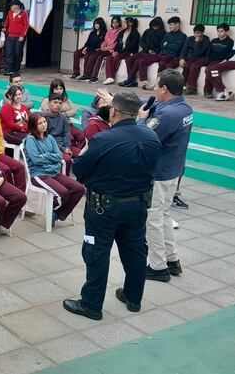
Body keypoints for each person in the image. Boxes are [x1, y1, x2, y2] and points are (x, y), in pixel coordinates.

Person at [64, 92, 161, 321]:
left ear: (113, 111)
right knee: (135, 251)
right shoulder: (151, 137)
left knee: (97, 253)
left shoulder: (103, 139)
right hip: (137, 205)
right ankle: (133, 297)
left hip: (104, 208)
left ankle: (91, 304)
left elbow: (80, 170)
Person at [137, 70, 192, 282]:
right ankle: (172, 260)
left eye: (156, 85)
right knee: (164, 215)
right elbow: (154, 107)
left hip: (159, 174)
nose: (154, 89)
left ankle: (158, 266)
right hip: (173, 171)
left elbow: (145, 138)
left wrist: (141, 120)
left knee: (153, 219)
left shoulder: (168, 115)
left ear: (165, 89)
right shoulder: (184, 107)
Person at [23, 113, 85, 226]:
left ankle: (57, 213)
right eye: (40, 123)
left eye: (44, 122)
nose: (43, 125)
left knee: (79, 188)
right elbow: (36, 160)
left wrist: (46, 156)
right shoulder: (31, 140)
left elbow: (59, 156)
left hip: (53, 171)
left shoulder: (50, 138)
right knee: (63, 192)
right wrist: (51, 158)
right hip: (39, 174)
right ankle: (57, 212)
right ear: (33, 126)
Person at [136, 16, 187, 90]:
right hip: (161, 54)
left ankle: (158, 84)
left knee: (162, 63)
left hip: (171, 56)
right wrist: (171, 45)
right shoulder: (167, 35)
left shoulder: (182, 36)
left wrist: (167, 45)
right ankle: (144, 81)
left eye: (171, 25)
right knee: (142, 61)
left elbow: (177, 48)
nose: (169, 27)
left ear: (177, 24)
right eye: (169, 25)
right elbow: (162, 45)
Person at [119, 16, 166, 88]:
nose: (154, 27)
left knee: (138, 61)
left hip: (154, 54)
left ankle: (130, 80)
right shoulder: (147, 31)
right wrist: (147, 49)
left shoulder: (162, 33)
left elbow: (161, 45)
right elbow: (142, 42)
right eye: (153, 25)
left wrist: (154, 50)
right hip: (145, 51)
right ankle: (131, 79)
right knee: (129, 60)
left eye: (156, 26)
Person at [43, 93, 79, 174]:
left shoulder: (63, 118)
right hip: (50, 146)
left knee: (82, 155)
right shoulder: (43, 118)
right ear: (48, 103)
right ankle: (65, 178)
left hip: (63, 145)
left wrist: (67, 147)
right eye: (55, 102)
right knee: (67, 160)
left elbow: (66, 134)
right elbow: (46, 138)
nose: (58, 105)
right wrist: (63, 149)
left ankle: (79, 179)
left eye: (60, 103)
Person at [81, 16, 123, 83]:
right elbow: (105, 41)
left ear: (119, 23)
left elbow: (116, 44)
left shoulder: (120, 31)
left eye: (116, 22)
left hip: (110, 50)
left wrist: (106, 48)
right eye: (113, 22)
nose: (114, 24)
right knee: (93, 55)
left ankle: (95, 77)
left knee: (100, 57)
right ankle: (87, 75)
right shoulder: (109, 31)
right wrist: (102, 46)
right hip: (104, 49)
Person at [201, 24, 235, 99]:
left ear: (227, 32)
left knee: (209, 70)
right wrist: (208, 59)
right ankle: (219, 90)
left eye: (221, 31)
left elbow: (225, 54)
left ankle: (212, 90)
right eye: (218, 31)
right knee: (206, 69)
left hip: (219, 60)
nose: (219, 33)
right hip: (211, 60)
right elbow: (209, 51)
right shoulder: (214, 40)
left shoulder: (230, 42)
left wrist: (224, 60)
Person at [176, 24, 211, 95]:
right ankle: (181, 86)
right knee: (186, 66)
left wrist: (197, 43)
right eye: (195, 33)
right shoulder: (190, 39)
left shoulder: (206, 40)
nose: (196, 35)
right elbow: (184, 50)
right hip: (191, 58)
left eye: (198, 33)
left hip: (202, 58)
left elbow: (197, 53)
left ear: (202, 33)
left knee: (193, 66)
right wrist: (182, 58)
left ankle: (192, 88)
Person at [103, 17, 140, 85]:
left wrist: (118, 52)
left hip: (129, 52)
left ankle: (112, 76)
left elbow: (131, 46)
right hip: (120, 51)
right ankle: (109, 77)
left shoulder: (135, 33)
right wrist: (115, 51)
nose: (123, 24)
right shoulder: (122, 32)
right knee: (109, 58)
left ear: (130, 23)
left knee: (116, 58)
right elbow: (117, 43)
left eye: (125, 22)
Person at [3, 0, 29, 74]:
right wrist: (5, 28)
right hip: (10, 35)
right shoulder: (10, 13)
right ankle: (9, 68)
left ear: (17, 6)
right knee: (9, 52)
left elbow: (26, 25)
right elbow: (7, 22)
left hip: (19, 37)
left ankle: (16, 68)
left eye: (12, 5)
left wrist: (22, 35)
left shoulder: (24, 13)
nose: (10, 7)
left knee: (17, 52)